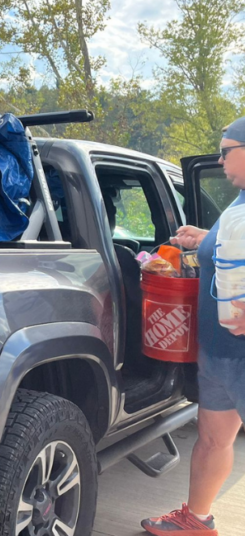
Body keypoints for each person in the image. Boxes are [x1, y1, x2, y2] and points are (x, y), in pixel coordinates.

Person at [141, 117, 245, 535]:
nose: (219, 160)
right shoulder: (238, 203)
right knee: (213, 439)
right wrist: (205, 238)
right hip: (219, 349)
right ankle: (196, 520)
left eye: (225, 150)